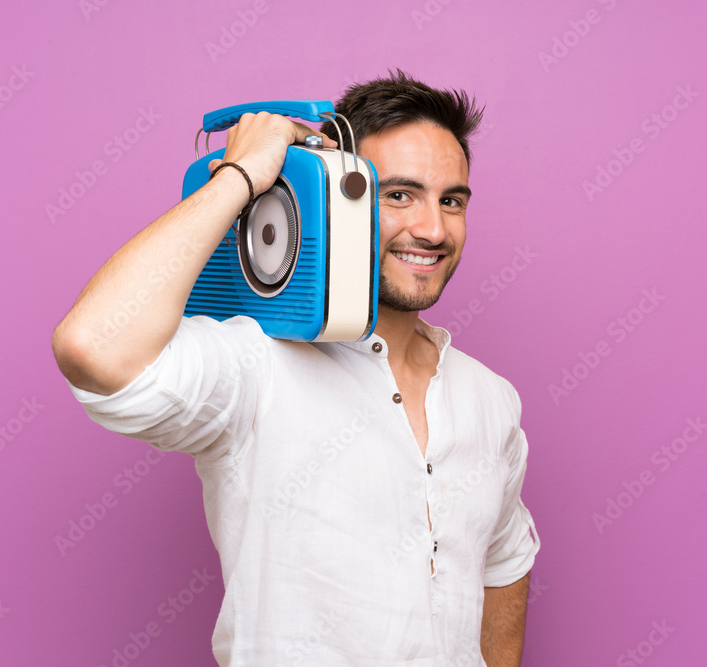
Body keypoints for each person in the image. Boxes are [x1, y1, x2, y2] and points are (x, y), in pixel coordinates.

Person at [52, 69, 540, 666]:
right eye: (398, 195)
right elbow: (91, 345)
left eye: (451, 201)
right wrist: (240, 177)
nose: (433, 229)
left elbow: (505, 561)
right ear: (335, 194)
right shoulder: (254, 366)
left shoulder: (491, 397)